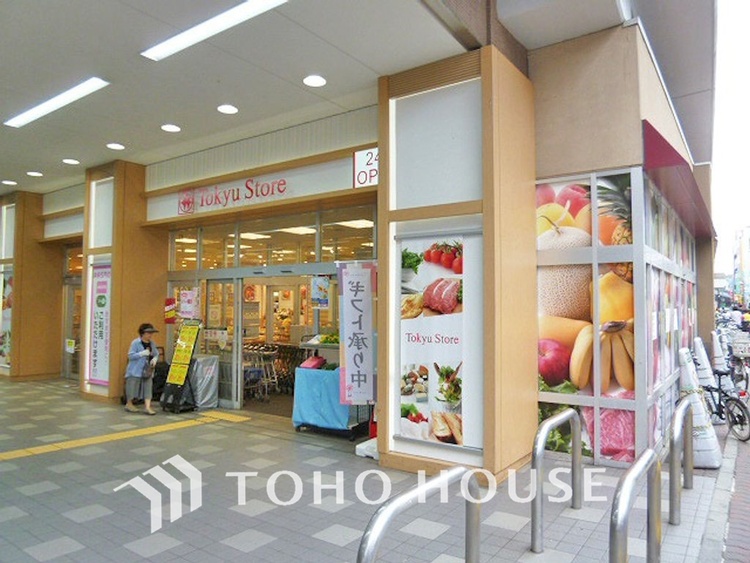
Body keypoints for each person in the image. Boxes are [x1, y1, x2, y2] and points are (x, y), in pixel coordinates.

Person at [124, 323, 160, 415]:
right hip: (135, 370)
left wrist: (155, 358)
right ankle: (129, 404)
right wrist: (141, 354)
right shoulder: (135, 343)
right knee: (132, 387)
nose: (150, 335)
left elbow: (156, 353)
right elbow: (130, 356)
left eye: (151, 333)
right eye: (148, 333)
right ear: (142, 333)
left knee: (148, 387)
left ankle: (147, 407)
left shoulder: (152, 343)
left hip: (147, 370)